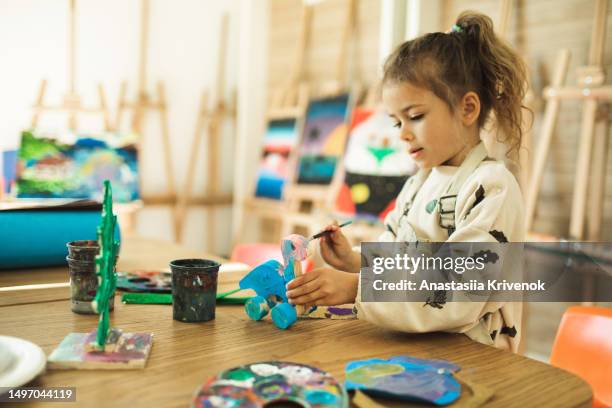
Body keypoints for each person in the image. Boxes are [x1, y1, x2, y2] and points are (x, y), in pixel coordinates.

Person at [286, 11, 528, 352]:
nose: (403, 134)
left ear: (468, 109)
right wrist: (354, 260)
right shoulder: (420, 182)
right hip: (417, 347)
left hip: (475, 360)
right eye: (397, 122)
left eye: (415, 117)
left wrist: (357, 287)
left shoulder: (491, 187)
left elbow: (457, 290)